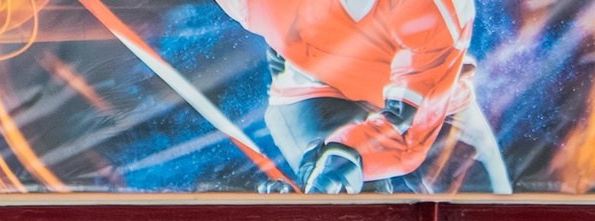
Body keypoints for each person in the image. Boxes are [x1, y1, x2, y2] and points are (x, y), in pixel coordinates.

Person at [214, 0, 512, 195]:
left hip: (433, 104)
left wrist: (346, 157)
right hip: (314, 86)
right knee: (345, 202)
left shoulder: (435, 9)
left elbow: (410, 131)